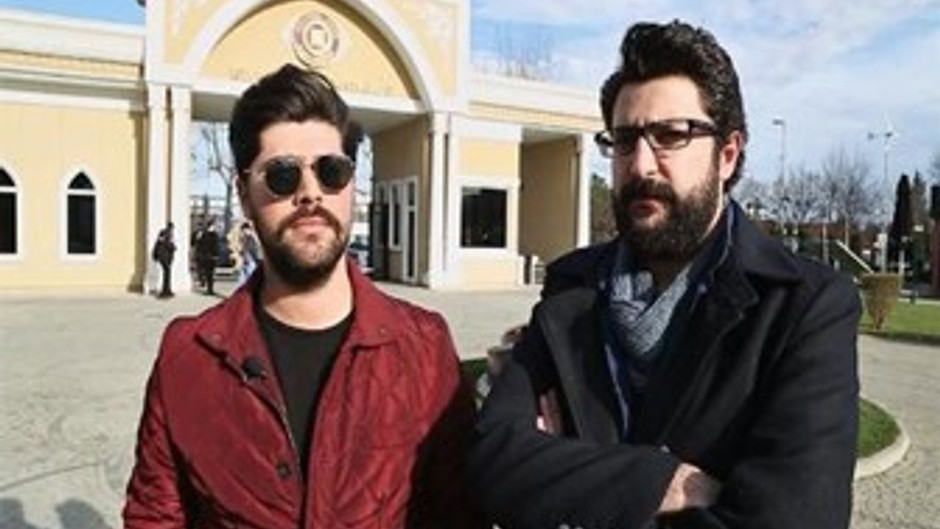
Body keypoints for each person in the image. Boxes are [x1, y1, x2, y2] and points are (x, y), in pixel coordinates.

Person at [468, 20, 860, 529]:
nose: (641, 165)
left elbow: (795, 518)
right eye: (624, 140)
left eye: (671, 136)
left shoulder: (803, 305)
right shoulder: (572, 288)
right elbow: (493, 464)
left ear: (727, 155)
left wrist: (570, 483)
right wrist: (662, 482)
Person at [123, 64, 481, 529]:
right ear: (244, 195)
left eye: (332, 171)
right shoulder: (188, 356)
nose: (311, 193)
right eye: (283, 175)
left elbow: (458, 513)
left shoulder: (425, 346)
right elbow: (154, 517)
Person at [194, 217, 221, 295]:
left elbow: (199, 245)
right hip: (211, 257)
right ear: (212, 226)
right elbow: (216, 246)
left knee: (207, 273)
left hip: (205, 256)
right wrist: (216, 254)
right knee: (211, 273)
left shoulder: (203, 234)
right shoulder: (214, 235)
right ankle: (210, 289)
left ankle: (209, 289)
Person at [151, 222, 175, 298]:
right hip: (164, 256)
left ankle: (167, 290)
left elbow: (160, 242)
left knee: (167, 272)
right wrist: (173, 247)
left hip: (163, 256)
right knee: (167, 272)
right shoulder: (166, 233)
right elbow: (165, 244)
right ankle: (165, 291)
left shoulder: (163, 233)